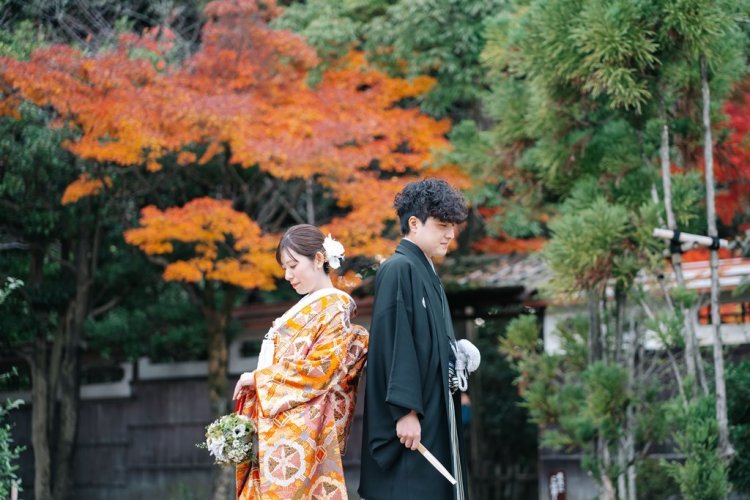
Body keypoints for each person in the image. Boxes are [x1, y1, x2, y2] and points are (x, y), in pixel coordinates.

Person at [233, 224, 368, 499]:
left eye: (293, 265)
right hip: (278, 429)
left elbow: (319, 370)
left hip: (299, 434)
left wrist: (257, 378)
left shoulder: (335, 307)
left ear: (318, 259)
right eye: (285, 268)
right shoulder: (311, 306)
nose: (288, 275)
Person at [359, 178, 474, 500]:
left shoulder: (426, 272)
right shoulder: (398, 268)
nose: (450, 234)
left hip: (435, 406)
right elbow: (394, 342)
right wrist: (405, 411)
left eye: (452, 226)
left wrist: (456, 355)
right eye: (442, 226)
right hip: (414, 415)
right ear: (414, 223)